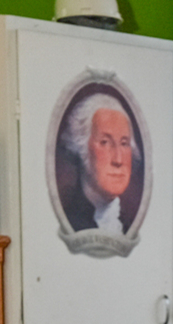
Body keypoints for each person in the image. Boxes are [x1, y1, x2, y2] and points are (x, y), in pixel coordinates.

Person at [55, 89, 143, 240]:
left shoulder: (128, 226)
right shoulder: (70, 223)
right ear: (81, 147)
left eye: (124, 143)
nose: (118, 160)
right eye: (105, 142)